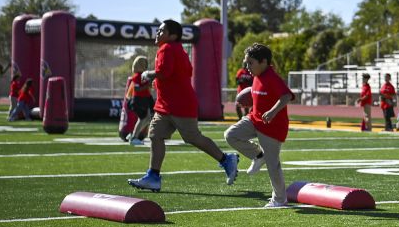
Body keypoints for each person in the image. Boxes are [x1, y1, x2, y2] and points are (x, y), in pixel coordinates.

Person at [128, 19, 239, 192]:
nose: (157, 33)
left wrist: (149, 74)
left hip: (179, 104)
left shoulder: (168, 48)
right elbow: (184, 72)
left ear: (173, 35)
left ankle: (226, 159)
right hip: (167, 105)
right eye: (158, 30)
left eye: (162, 30)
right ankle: (153, 176)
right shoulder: (175, 49)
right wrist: (159, 82)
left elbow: (165, 72)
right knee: (155, 135)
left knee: (192, 137)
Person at [225, 43, 294, 208]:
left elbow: (286, 96)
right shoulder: (256, 75)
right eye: (246, 63)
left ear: (263, 62)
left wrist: (272, 111)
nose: (247, 67)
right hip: (254, 119)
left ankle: (279, 199)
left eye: (251, 63)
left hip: (272, 125)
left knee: (273, 165)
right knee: (231, 135)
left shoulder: (272, 77)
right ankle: (258, 155)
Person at [125, 56, 154, 145]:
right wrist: (148, 85)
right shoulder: (137, 76)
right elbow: (137, 89)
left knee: (148, 118)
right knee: (143, 118)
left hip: (145, 99)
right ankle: (134, 137)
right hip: (139, 100)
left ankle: (133, 134)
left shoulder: (144, 75)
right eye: (145, 63)